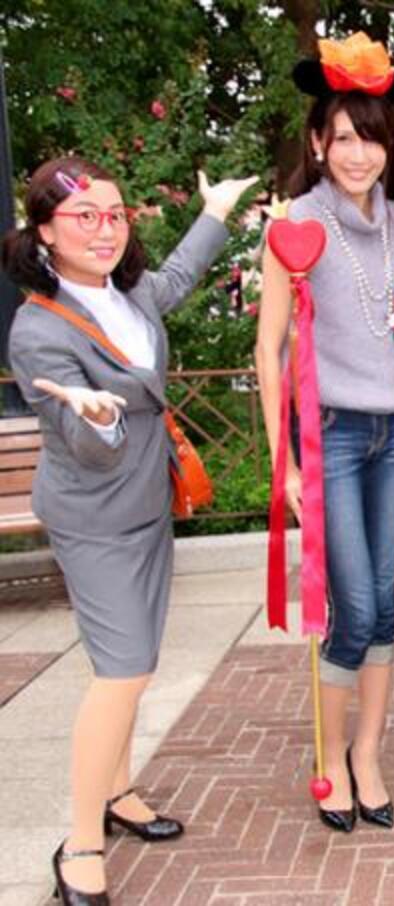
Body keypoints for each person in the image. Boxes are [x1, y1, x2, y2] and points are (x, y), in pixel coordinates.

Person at [1, 157, 255, 903]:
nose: (105, 230)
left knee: (129, 661)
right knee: (124, 671)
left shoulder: (129, 292)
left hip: (147, 501)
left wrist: (215, 213)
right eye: (85, 217)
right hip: (94, 516)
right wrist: (93, 417)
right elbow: (85, 446)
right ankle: (81, 843)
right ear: (45, 232)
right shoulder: (38, 329)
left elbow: (174, 279)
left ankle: (116, 793)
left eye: (114, 214)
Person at [255, 32, 394, 834]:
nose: (359, 154)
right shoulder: (296, 225)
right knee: (354, 609)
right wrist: (284, 462)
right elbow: (269, 348)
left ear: (389, 146)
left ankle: (367, 756)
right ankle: (328, 759)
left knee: (386, 609)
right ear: (318, 143)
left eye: (373, 138)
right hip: (328, 437)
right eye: (344, 138)